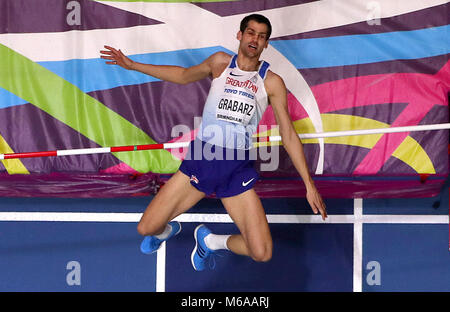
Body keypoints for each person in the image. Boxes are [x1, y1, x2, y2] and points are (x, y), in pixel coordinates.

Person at [100, 14, 327, 271]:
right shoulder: (220, 62)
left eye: (262, 36)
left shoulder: (272, 82)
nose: (255, 39)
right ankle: (167, 231)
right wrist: (133, 66)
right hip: (203, 161)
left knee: (261, 251)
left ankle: (211, 241)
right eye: (251, 32)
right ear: (240, 36)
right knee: (147, 228)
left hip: (236, 168)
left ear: (266, 44)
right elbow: (184, 75)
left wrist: (309, 184)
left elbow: (287, 133)